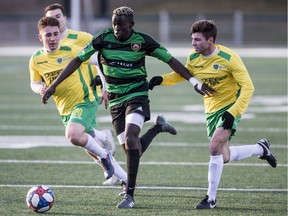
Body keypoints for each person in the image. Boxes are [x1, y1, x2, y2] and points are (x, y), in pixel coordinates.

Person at [41, 6, 215, 209]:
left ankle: (129, 195)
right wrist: (53, 86)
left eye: (121, 25)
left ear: (131, 25)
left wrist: (194, 81)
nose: (117, 28)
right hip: (116, 100)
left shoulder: (143, 41)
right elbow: (77, 61)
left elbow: (171, 61)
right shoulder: (103, 38)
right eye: (114, 23)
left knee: (132, 140)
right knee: (131, 149)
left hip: (137, 95)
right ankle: (158, 127)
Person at [148, 19, 277, 209]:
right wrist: (160, 79)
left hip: (231, 107)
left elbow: (248, 87)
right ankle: (261, 149)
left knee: (214, 146)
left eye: (198, 40)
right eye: (192, 39)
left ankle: (210, 198)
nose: (193, 44)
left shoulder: (229, 58)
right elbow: (182, 74)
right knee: (222, 156)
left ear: (211, 40)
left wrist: (233, 112)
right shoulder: (193, 57)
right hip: (211, 110)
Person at [29, 16, 128, 194]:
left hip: (85, 101)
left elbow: (99, 60)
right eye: (48, 35)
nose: (52, 38)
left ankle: (105, 155)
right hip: (65, 111)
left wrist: (106, 86)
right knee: (90, 147)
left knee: (73, 136)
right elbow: (34, 83)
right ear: (40, 37)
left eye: (55, 34)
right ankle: (127, 180)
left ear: (60, 34)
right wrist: (40, 89)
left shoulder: (71, 50)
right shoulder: (36, 59)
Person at [44, 3, 118, 186]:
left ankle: (112, 170)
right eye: (51, 17)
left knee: (79, 136)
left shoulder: (82, 37)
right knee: (86, 140)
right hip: (67, 99)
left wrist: (105, 86)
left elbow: (101, 59)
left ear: (65, 18)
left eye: (58, 16)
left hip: (87, 92)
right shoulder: (49, 45)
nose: (56, 20)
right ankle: (104, 141)